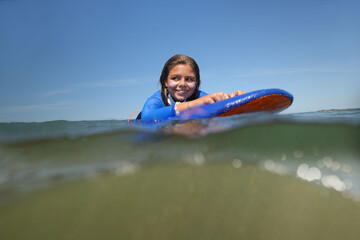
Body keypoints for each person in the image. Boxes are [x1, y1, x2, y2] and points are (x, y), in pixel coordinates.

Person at [138, 54, 245, 121]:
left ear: (197, 83)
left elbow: (215, 106)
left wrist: (233, 99)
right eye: (175, 78)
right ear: (165, 82)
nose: (182, 84)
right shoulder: (157, 99)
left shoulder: (199, 95)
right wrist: (192, 105)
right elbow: (147, 118)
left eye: (189, 79)